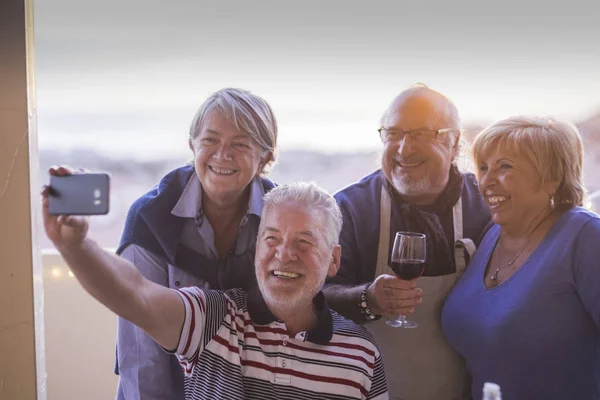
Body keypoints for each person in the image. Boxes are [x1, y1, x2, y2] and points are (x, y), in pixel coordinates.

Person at [42, 176, 389, 400]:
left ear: (333, 260)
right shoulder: (214, 318)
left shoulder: (361, 353)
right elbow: (137, 295)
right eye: (272, 238)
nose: (285, 254)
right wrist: (76, 245)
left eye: (304, 242)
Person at [324, 84, 491, 399]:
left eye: (419, 135)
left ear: (454, 144)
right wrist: (366, 298)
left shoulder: (484, 205)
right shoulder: (349, 208)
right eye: (393, 134)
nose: (403, 149)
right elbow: (317, 296)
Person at [115, 88, 278, 399]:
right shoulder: (150, 217)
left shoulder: (280, 216)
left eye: (240, 144)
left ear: (265, 158)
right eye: (210, 140)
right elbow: (141, 355)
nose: (222, 154)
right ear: (192, 145)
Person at [442, 116, 600, 399]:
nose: (486, 181)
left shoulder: (585, 236)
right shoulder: (492, 235)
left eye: (505, 167)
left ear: (552, 177)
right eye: (483, 167)